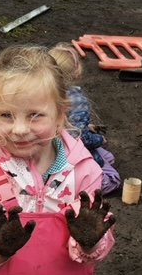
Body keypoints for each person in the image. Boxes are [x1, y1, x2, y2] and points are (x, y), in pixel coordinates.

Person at [0, 45, 116, 275]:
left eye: (35, 115)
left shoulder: (84, 171)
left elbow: (97, 250)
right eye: (6, 115)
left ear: (60, 116)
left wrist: (90, 242)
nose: (20, 129)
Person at [49, 42, 122, 195]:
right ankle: (77, 189)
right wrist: (100, 140)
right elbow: (81, 139)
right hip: (67, 152)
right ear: (77, 72)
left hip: (49, 147)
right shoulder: (76, 100)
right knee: (113, 178)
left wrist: (88, 128)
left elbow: (66, 125)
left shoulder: (45, 92)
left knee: (109, 157)